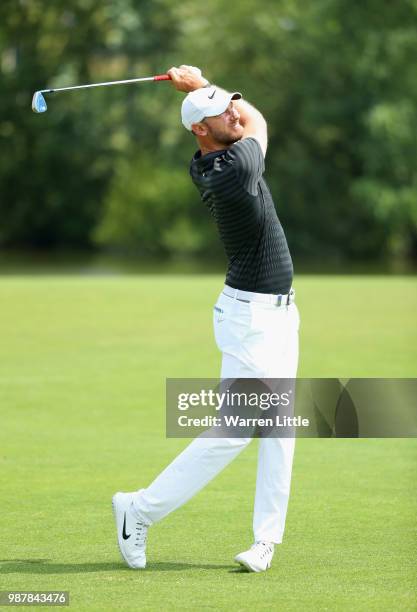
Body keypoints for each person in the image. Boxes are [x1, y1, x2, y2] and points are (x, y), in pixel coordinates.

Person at [112, 65, 300, 573]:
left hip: (279, 314)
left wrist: (207, 91)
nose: (234, 113)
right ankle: (139, 509)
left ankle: (265, 541)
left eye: (230, 105)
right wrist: (198, 86)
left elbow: (244, 117)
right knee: (237, 429)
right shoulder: (236, 168)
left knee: (281, 426)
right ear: (201, 129)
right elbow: (260, 124)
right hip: (251, 319)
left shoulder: (210, 158)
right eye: (220, 113)